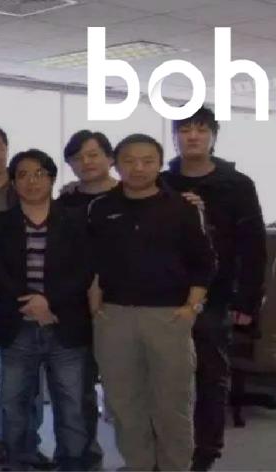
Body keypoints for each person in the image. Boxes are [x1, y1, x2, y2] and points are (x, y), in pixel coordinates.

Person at [87, 133, 217, 471]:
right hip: (115, 317)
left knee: (172, 406)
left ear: (160, 164)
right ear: (116, 164)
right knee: (124, 404)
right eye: (129, 161)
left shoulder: (182, 207)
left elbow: (204, 263)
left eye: (147, 161)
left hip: (168, 317)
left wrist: (191, 308)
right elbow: (93, 261)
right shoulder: (101, 208)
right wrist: (95, 304)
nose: (138, 168)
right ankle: (139, 465)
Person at [161, 107, 267, 471]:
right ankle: (167, 450)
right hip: (165, 296)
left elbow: (253, 247)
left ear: (213, 136)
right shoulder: (162, 182)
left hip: (216, 296)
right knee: (165, 379)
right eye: (184, 130)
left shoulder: (237, 184)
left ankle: (205, 453)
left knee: (210, 377)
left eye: (201, 130)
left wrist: (247, 301)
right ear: (175, 137)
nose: (193, 136)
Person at [0, 149, 93, 471]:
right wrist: (31, 302)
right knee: (14, 404)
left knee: (71, 404)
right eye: (23, 175)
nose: (31, 181)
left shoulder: (76, 220)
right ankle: (20, 460)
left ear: (52, 178)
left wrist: (49, 302)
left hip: (65, 324)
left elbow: (84, 271)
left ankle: (72, 462)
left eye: (39, 174)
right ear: (13, 182)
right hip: (18, 325)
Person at [56, 129, 118, 470]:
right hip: (74, 306)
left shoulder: (131, 195)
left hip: (122, 305)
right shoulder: (65, 202)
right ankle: (83, 457)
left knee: (125, 390)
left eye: (93, 154)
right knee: (77, 390)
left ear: (110, 158)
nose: (86, 162)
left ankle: (143, 460)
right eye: (78, 157)